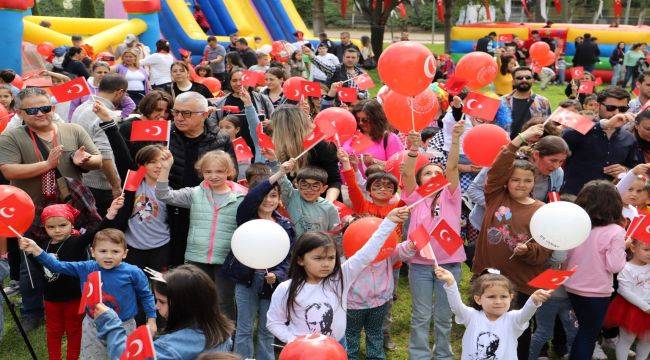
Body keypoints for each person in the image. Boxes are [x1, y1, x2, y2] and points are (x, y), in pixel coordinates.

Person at [0, 87, 102, 331]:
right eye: (32, 110)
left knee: (76, 257)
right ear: (19, 113)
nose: (40, 113)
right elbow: (8, 170)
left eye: (45, 108)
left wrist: (85, 160)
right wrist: (46, 164)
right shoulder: (11, 136)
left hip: (71, 210)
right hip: (31, 211)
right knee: (31, 264)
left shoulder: (72, 130)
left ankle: (80, 304)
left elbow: (99, 159)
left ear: (53, 108)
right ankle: (32, 312)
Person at [266, 205, 409, 343]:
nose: (326, 263)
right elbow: (274, 322)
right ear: (300, 260)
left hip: (337, 346)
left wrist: (389, 222)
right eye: (318, 258)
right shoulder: (286, 288)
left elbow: (367, 253)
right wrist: (294, 341)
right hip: (302, 352)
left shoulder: (341, 278)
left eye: (331, 258)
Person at [471, 124, 552, 359]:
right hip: (487, 277)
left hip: (521, 284)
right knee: (485, 328)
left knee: (519, 332)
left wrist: (528, 250)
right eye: (515, 179)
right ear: (507, 181)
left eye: (527, 181)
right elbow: (497, 169)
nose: (521, 184)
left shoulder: (542, 210)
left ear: (534, 182)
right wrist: (519, 139)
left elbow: (544, 250)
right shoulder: (496, 196)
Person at [19, 228, 157, 360]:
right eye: (103, 251)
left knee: (125, 357)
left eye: (115, 251)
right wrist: (36, 250)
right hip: (93, 325)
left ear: (125, 253)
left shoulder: (133, 272)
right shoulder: (86, 267)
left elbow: (146, 295)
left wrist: (151, 320)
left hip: (124, 324)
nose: (109, 256)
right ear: (93, 251)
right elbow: (57, 266)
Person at [402, 122, 467, 360]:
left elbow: (451, 166)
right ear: (419, 180)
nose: (433, 175)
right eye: (427, 172)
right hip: (420, 264)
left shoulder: (451, 196)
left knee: (443, 314)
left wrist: (456, 139)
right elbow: (407, 173)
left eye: (437, 173)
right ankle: (418, 355)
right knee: (421, 314)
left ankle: (442, 354)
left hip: (449, 263)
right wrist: (413, 149)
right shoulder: (414, 197)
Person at [156, 149, 243, 321]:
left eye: (219, 171)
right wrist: (165, 169)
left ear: (229, 172)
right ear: (201, 172)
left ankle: (226, 340)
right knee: (196, 300)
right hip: (197, 257)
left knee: (223, 302)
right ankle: (197, 337)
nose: (213, 176)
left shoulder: (240, 197)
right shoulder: (195, 193)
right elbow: (163, 194)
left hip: (225, 259)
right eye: (208, 172)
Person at [24, 202, 119, 360]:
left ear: (71, 223)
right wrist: (30, 253)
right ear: (44, 228)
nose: (57, 230)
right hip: (50, 298)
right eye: (51, 227)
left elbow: (95, 231)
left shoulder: (77, 242)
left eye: (63, 225)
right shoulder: (44, 245)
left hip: (74, 298)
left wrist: (110, 215)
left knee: (74, 331)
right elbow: (41, 269)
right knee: (53, 332)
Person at [222, 175, 295, 360]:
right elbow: (251, 199)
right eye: (263, 195)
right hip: (245, 281)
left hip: (271, 284)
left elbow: (287, 259)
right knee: (245, 328)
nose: (268, 200)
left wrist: (277, 276)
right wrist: (278, 173)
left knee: (267, 329)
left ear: (279, 199)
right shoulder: (246, 217)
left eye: (273, 196)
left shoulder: (285, 226)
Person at [95, 264, 234, 359]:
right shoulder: (218, 331)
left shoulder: (172, 347)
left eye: (162, 301)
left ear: (184, 305)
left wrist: (110, 323)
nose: (156, 306)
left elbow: (126, 357)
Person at [165, 92, 236, 268]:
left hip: (206, 211)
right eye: (176, 112)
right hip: (171, 206)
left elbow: (231, 174)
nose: (179, 118)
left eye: (187, 113)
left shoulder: (221, 138)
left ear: (204, 114)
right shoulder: (166, 134)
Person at [562, 180, 627, 359]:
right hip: (596, 291)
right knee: (588, 334)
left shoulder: (576, 225)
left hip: (572, 285)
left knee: (582, 330)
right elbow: (615, 266)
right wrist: (622, 248)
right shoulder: (616, 231)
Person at [435, 268, 551, 360]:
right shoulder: (472, 316)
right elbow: (457, 306)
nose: (498, 301)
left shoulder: (513, 319)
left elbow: (526, 313)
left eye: (503, 296)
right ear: (478, 299)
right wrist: (451, 283)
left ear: (511, 298)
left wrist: (533, 300)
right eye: (491, 296)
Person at [562, 86, 639, 195]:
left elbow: (633, 166)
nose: (617, 113)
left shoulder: (629, 138)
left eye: (622, 109)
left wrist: (625, 170)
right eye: (611, 108)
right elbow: (564, 137)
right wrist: (603, 125)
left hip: (608, 200)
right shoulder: (584, 123)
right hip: (575, 196)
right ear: (598, 106)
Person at [71, 74, 127, 217]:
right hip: (100, 185)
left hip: (81, 180)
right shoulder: (107, 114)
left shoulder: (81, 107)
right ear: (119, 92)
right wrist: (115, 186)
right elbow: (106, 155)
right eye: (125, 94)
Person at [271, 105, 341, 202]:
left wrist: (326, 205)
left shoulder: (321, 145)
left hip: (322, 202)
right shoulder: (281, 148)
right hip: (295, 205)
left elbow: (334, 181)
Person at [603, 238, 650, 360]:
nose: (649, 253)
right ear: (633, 248)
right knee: (627, 339)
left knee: (647, 339)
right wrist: (645, 306)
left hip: (648, 307)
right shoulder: (626, 268)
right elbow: (623, 290)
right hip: (631, 310)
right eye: (646, 249)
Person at [268, 158, 339, 238]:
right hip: (294, 248)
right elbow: (283, 181)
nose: (309, 190)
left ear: (323, 188)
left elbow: (336, 234)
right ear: (297, 185)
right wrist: (273, 160)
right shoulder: (292, 196)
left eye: (315, 186)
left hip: (318, 248)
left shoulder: (329, 208)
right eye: (304, 185)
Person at [210, 70, 274, 154]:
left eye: (241, 80)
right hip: (230, 150)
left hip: (259, 149)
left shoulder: (262, 99)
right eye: (234, 80)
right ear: (230, 82)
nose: (238, 83)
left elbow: (275, 120)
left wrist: (270, 123)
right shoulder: (220, 103)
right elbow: (212, 126)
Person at [344, 99, 404, 169]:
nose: (360, 123)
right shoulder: (351, 133)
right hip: (349, 178)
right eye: (357, 119)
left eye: (365, 120)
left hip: (374, 179)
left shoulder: (389, 139)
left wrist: (373, 161)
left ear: (376, 119)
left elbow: (397, 166)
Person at [68, 61, 136, 121]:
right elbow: (73, 108)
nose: (103, 75)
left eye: (105, 72)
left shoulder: (114, 87)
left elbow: (131, 105)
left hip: (104, 122)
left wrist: (120, 118)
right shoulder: (82, 87)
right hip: (84, 122)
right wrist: (71, 123)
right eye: (99, 72)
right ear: (92, 73)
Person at [495, 67, 551, 138]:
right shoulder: (502, 101)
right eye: (519, 78)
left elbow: (548, 127)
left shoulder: (543, 101)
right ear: (513, 81)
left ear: (533, 80)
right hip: (508, 145)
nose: (524, 80)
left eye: (528, 78)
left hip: (532, 146)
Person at [118, 90, 173, 158]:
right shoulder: (129, 126)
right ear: (148, 107)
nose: (162, 114)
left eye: (166, 111)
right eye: (158, 110)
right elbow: (123, 156)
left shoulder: (168, 128)